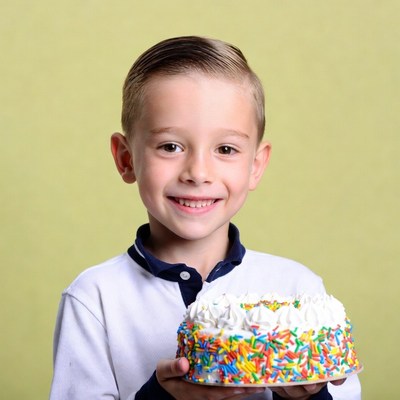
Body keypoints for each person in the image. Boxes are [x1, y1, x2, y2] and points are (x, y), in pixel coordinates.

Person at [49, 36, 361, 400]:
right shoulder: (94, 299)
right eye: (170, 146)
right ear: (126, 158)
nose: (198, 172)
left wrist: (309, 396)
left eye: (226, 149)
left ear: (255, 166)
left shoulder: (298, 294)